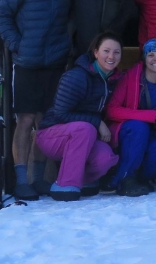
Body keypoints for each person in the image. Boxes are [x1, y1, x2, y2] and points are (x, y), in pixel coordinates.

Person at [0, 0, 73, 201]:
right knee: (25, 121)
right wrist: (18, 44)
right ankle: (21, 180)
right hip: (28, 63)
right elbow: (0, 13)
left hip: (54, 63)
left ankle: (38, 180)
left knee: (46, 123)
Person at [34, 32, 123, 202]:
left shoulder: (113, 80)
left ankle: (82, 180)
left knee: (105, 158)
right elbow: (61, 113)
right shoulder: (77, 76)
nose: (111, 56)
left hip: (85, 137)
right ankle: (65, 184)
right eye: (106, 51)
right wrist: (97, 122)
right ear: (96, 52)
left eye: (117, 52)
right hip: (52, 135)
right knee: (85, 128)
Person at [104, 38, 156, 197]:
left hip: (149, 133)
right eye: (151, 55)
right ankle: (123, 179)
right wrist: (147, 116)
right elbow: (111, 110)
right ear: (144, 58)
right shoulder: (130, 77)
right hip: (125, 130)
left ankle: (142, 178)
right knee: (139, 126)